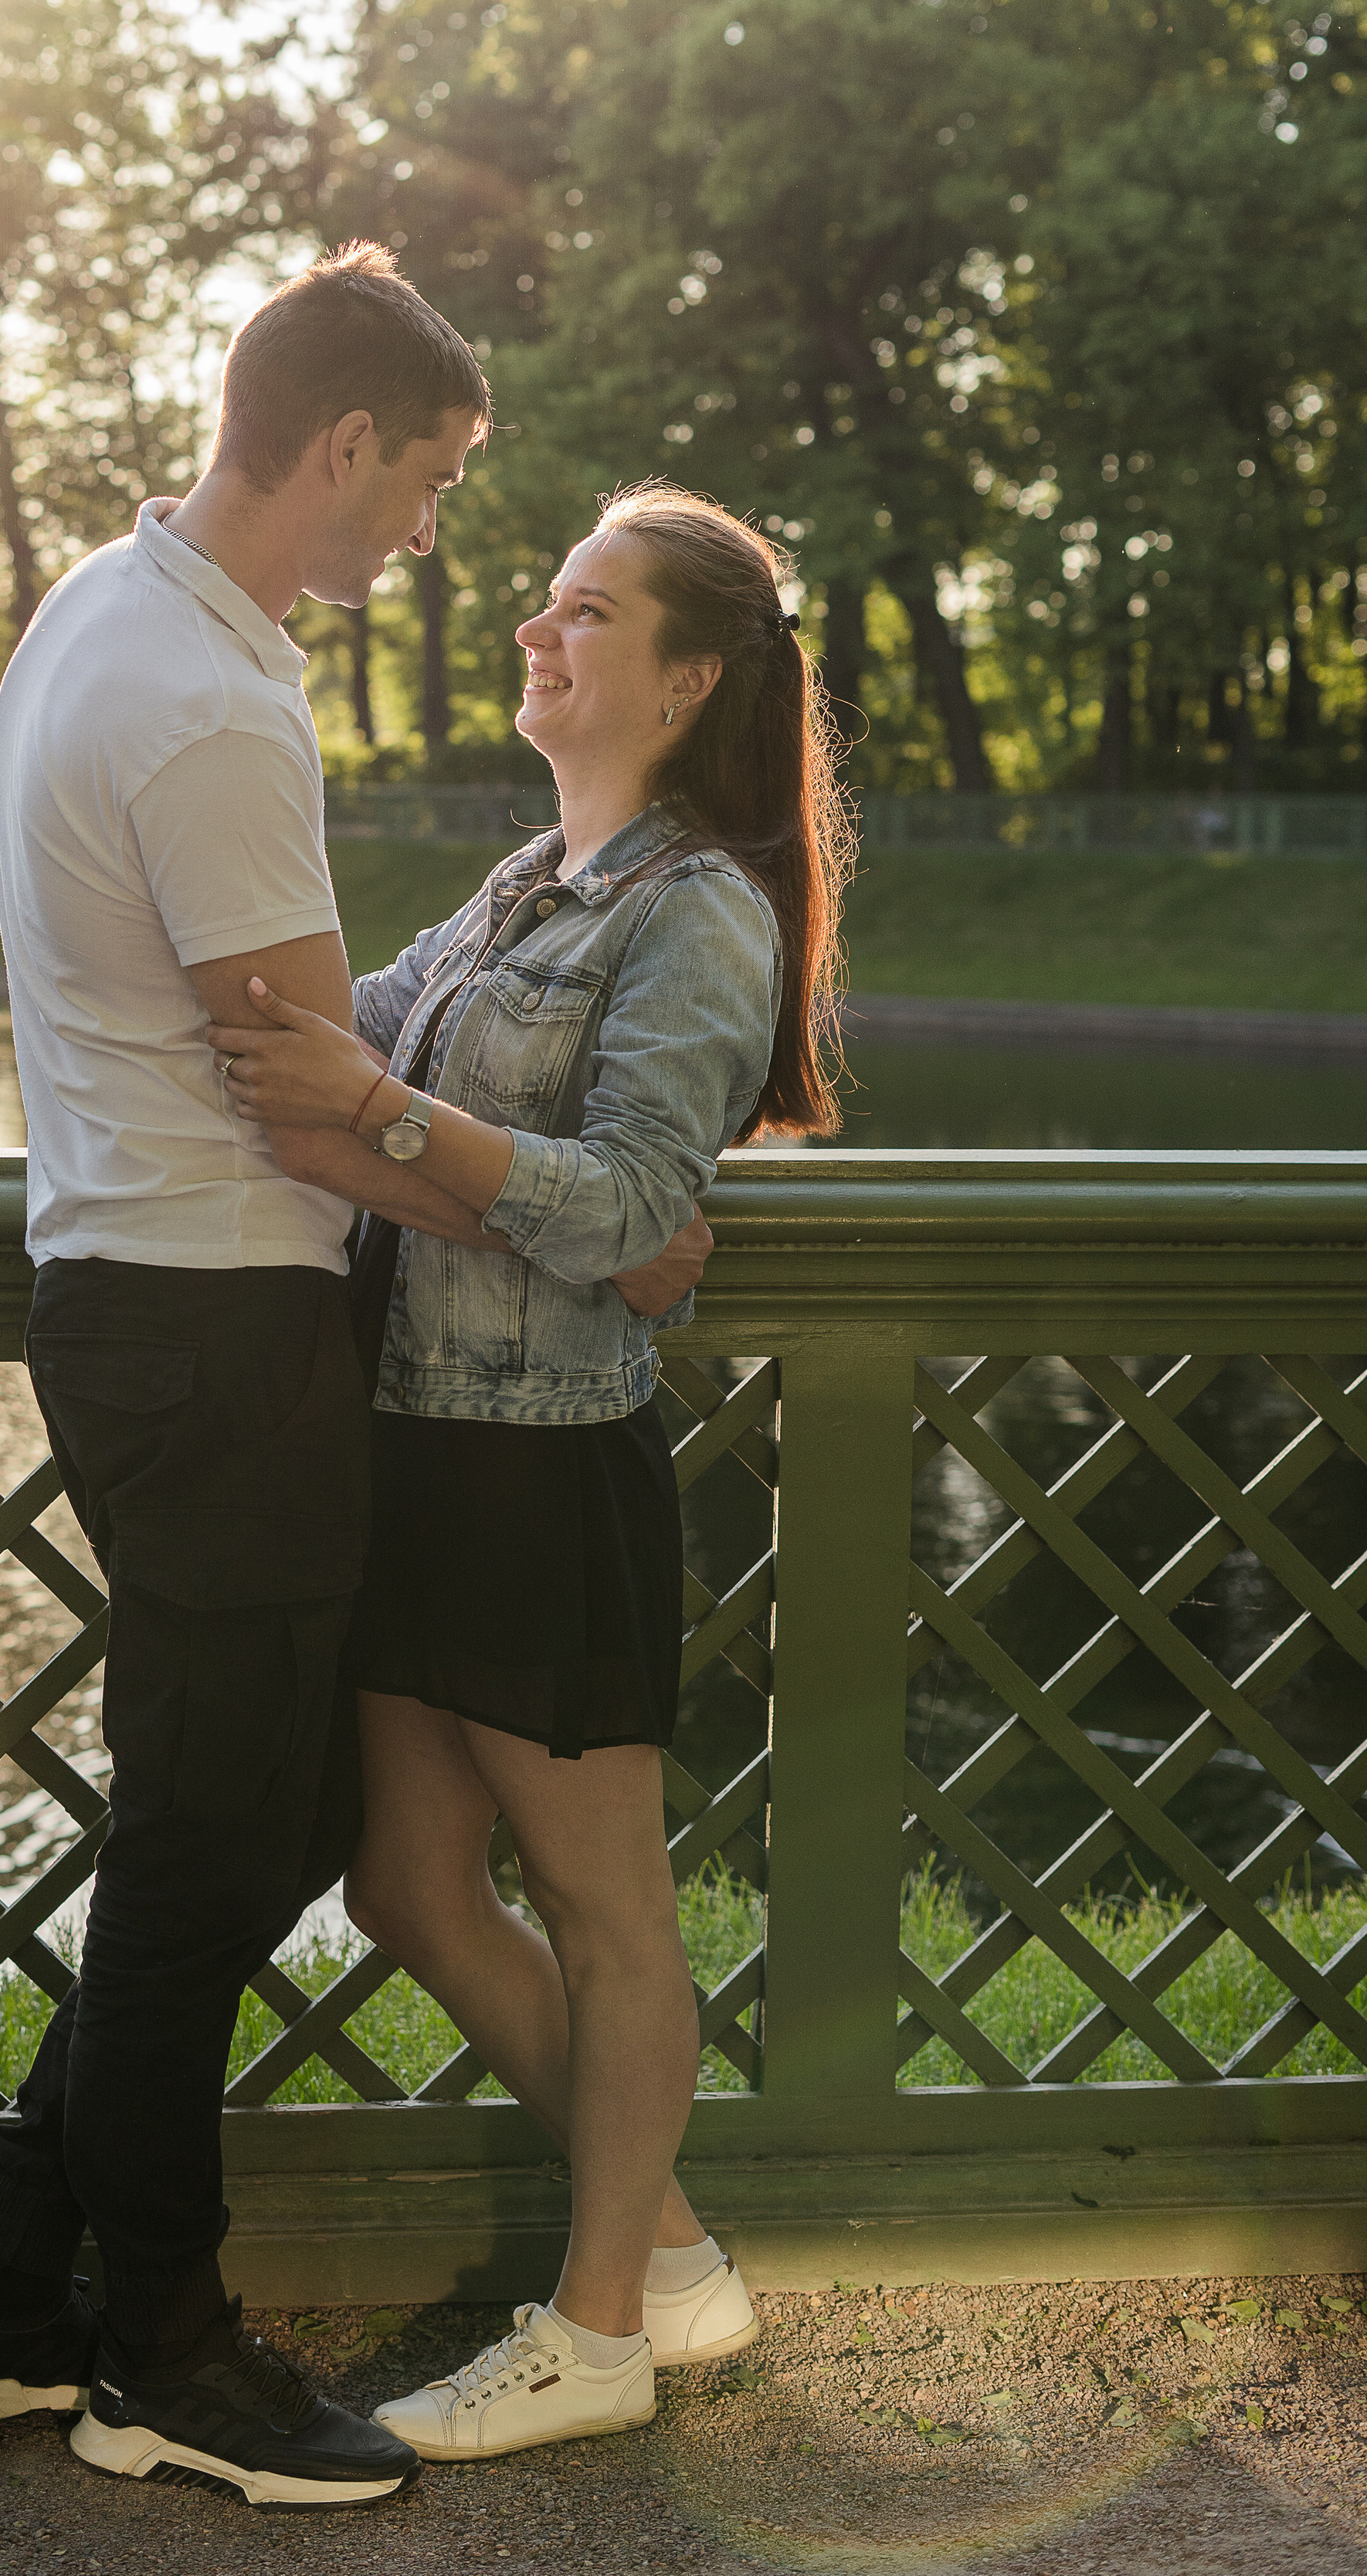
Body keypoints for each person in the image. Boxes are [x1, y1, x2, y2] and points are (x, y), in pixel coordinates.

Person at [0, 246, 704, 2510]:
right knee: (208, 1847)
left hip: (152, 1306)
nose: (430, 533)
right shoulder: (212, 705)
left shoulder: (100, 612)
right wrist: (605, 1234)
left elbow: (328, 1072)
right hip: (221, 1324)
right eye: (428, 480)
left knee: (232, 1823)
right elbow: (317, 1104)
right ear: (342, 444)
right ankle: (159, 2349)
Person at [208, 477, 849, 2462]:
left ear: (685, 679)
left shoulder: (699, 910)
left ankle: (593, 2334)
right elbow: (321, 1043)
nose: (531, 632)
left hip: (542, 1466)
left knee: (605, 1910)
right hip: (409, 1444)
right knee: (409, 1884)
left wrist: (389, 1118)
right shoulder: (521, 887)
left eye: (583, 611)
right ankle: (664, 2253)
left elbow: (632, 1203)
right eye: (544, 602)